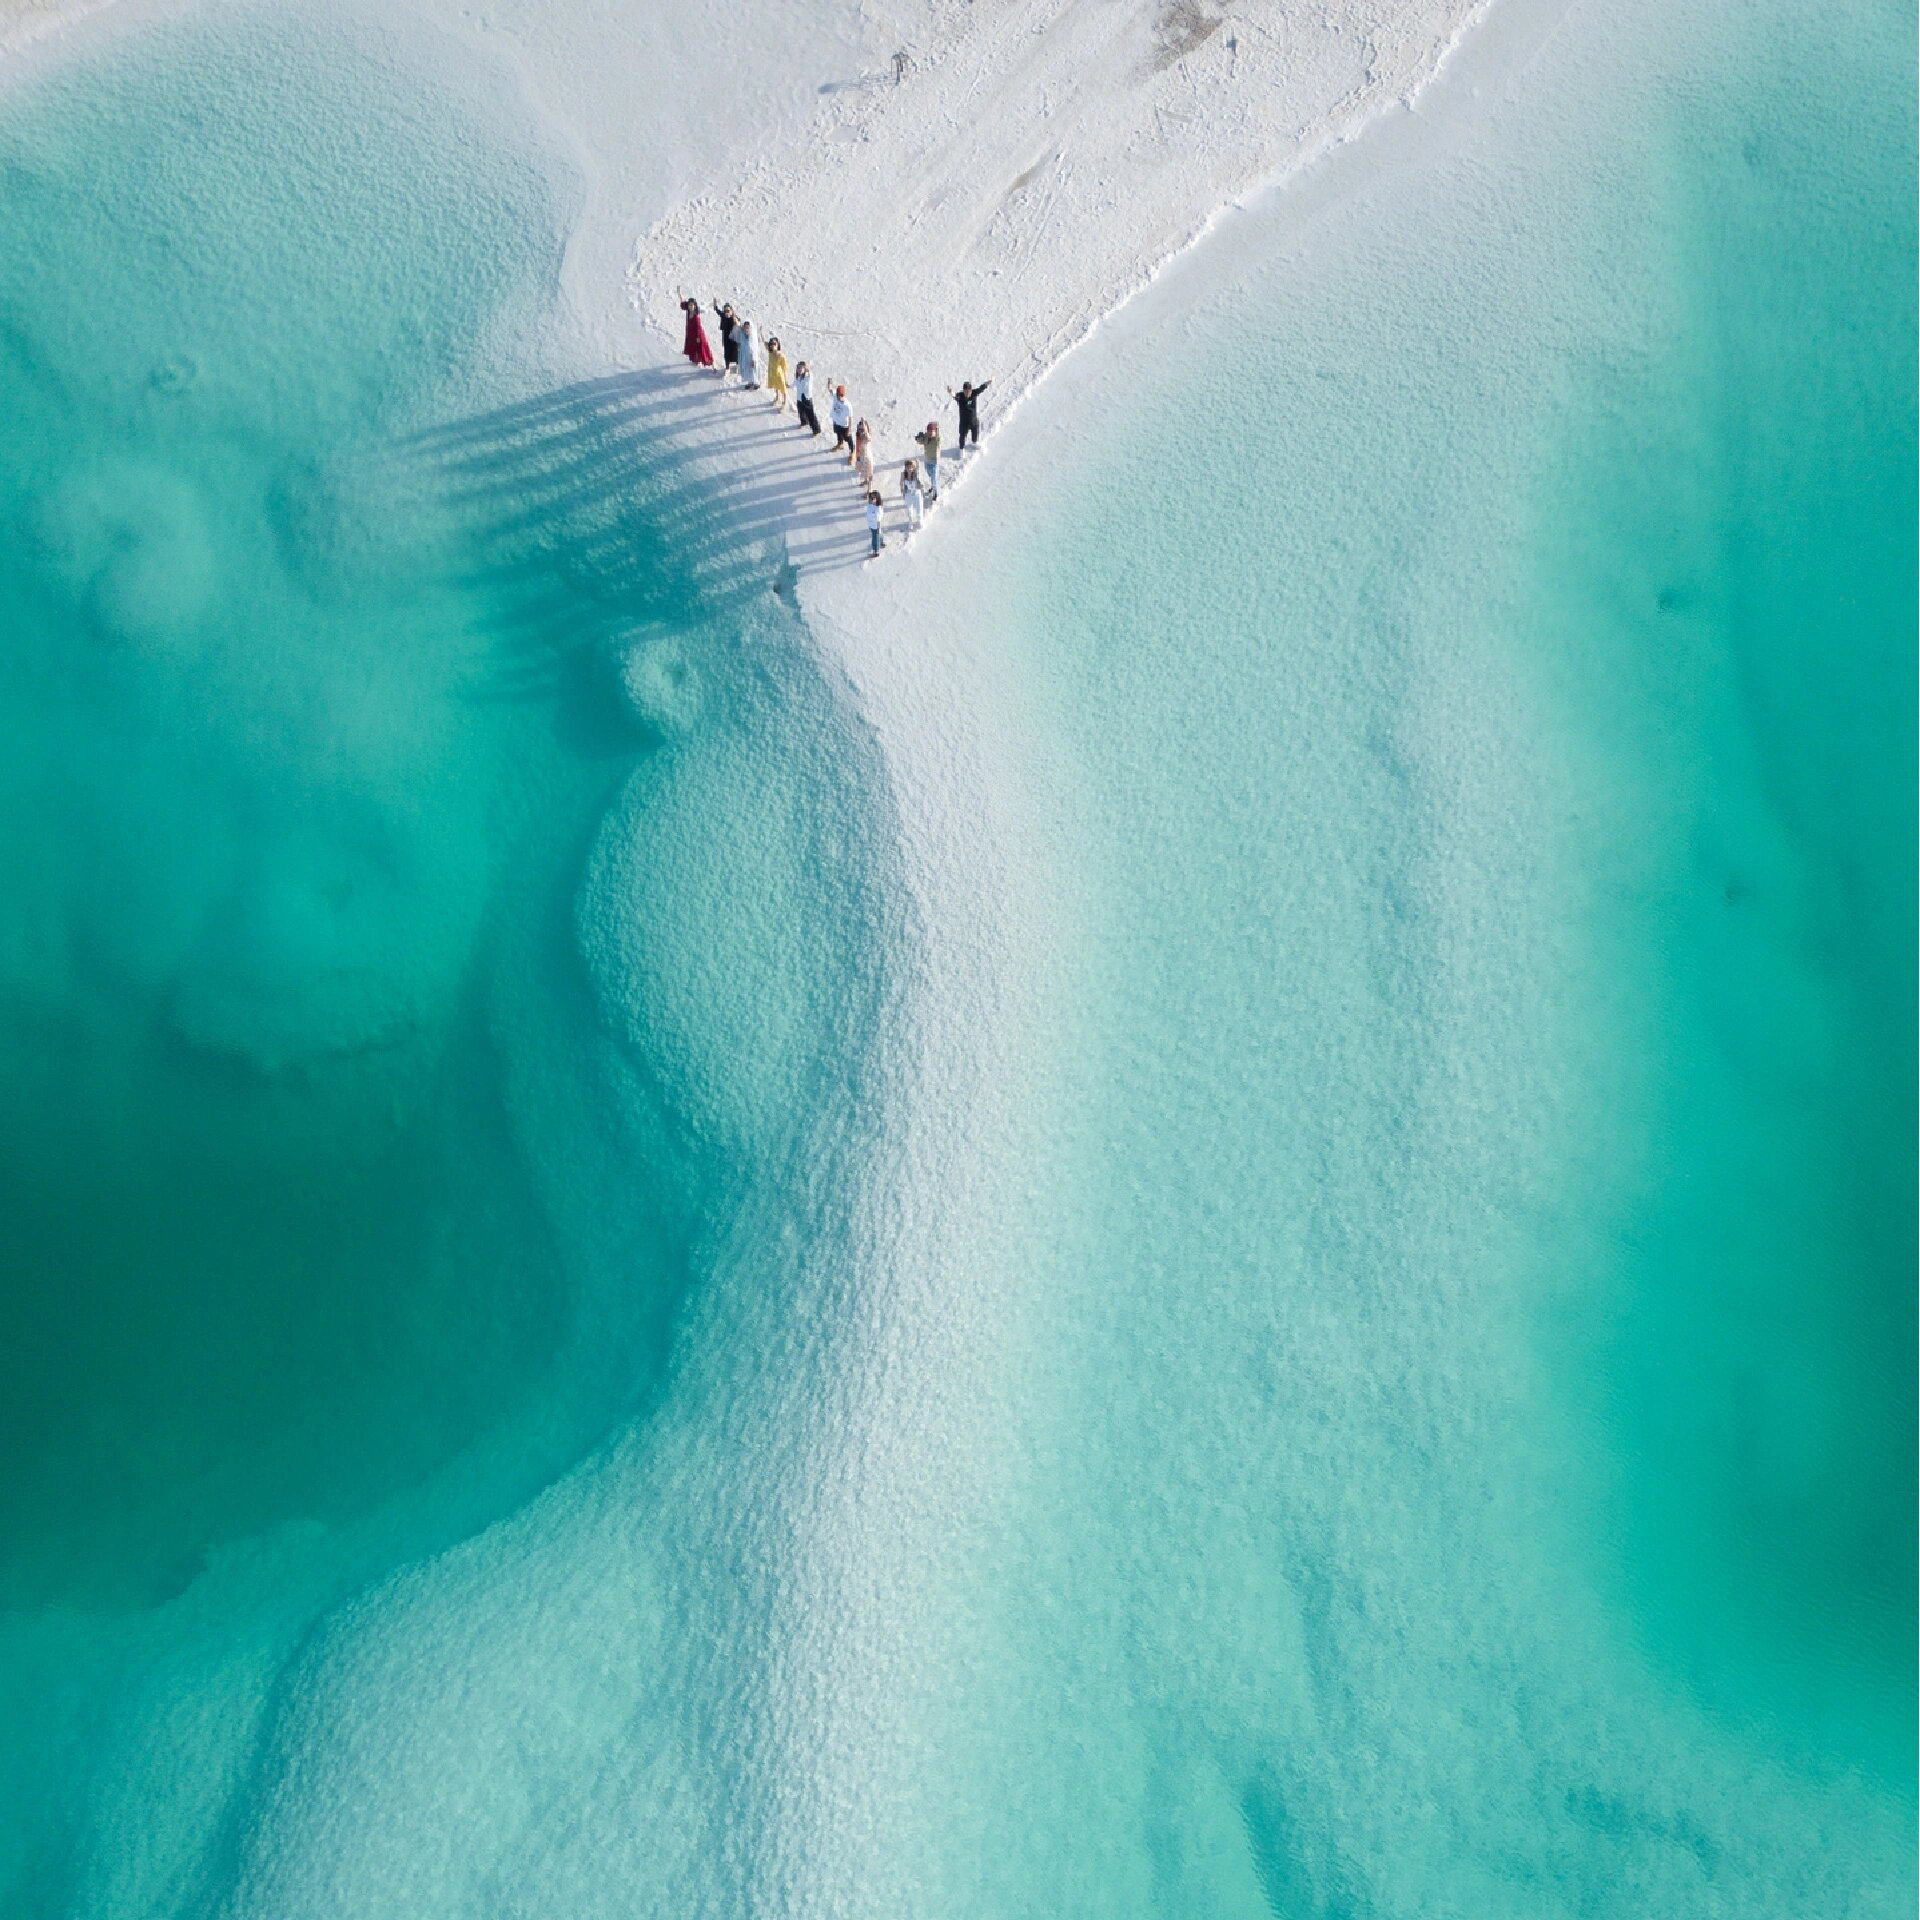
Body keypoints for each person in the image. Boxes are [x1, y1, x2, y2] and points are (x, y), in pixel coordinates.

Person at [948, 377, 991, 448]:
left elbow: (982, 387)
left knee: (975, 435)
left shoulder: (974, 393)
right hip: (964, 422)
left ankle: (974, 443)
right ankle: (961, 450)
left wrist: (989, 382)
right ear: (963, 390)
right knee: (962, 436)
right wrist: (951, 392)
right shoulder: (960, 396)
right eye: (966, 391)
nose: (967, 392)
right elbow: (955, 395)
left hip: (973, 420)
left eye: (969, 390)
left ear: (971, 390)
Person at [679, 296, 715, 369]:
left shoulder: (696, 316)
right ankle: (696, 360)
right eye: (689, 305)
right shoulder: (689, 310)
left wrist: (698, 337)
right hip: (691, 333)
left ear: (695, 306)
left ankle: (706, 361)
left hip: (697, 334)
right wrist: (680, 294)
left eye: (692, 305)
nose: (690, 306)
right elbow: (683, 305)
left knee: (700, 348)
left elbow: (698, 327)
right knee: (692, 346)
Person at [913, 419, 941, 501]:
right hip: (927, 460)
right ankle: (933, 486)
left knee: (934, 477)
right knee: (930, 474)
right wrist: (918, 439)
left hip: (935, 461)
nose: (929, 433)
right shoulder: (926, 437)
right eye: (928, 431)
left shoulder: (937, 440)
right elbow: (920, 441)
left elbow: (937, 435)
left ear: (935, 432)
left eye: (931, 432)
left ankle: (936, 492)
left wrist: (936, 428)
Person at [711, 301, 739, 378]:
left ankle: (738, 366)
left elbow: (739, 323)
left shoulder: (734, 317)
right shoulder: (723, 316)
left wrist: (734, 316)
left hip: (734, 339)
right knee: (727, 353)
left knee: (735, 352)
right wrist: (715, 307)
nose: (726, 312)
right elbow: (719, 312)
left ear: (731, 311)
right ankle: (727, 368)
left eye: (728, 311)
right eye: (725, 311)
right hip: (726, 339)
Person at [794, 360, 821, 435]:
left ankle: (816, 430)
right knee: (801, 411)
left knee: (810, 414)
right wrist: (788, 386)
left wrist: (807, 367)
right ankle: (804, 422)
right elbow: (794, 384)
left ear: (804, 369)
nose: (799, 370)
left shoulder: (808, 376)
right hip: (799, 397)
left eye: (801, 368)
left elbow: (809, 371)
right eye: (798, 368)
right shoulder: (797, 377)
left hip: (807, 398)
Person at [829, 384, 855, 463]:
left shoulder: (848, 405)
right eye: (839, 395)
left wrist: (849, 429)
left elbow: (850, 418)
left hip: (844, 425)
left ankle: (852, 452)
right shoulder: (835, 397)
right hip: (836, 422)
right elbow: (830, 389)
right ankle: (840, 444)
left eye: (841, 395)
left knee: (848, 439)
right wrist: (829, 382)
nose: (840, 397)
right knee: (838, 433)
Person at [765, 335, 791, 409]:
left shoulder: (781, 355)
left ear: (778, 345)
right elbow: (764, 343)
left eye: (774, 344)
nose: (773, 346)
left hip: (779, 375)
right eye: (771, 344)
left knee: (783, 389)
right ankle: (777, 398)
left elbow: (785, 368)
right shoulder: (770, 352)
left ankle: (784, 402)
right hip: (772, 374)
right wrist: (761, 334)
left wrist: (786, 379)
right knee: (775, 387)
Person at [900, 458, 925, 532]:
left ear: (913, 467)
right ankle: (910, 521)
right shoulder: (903, 474)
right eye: (908, 467)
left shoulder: (916, 473)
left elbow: (919, 470)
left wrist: (921, 484)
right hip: (908, 494)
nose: (909, 469)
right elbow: (901, 482)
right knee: (909, 509)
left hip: (916, 493)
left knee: (919, 508)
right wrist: (902, 490)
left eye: (911, 467)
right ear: (905, 467)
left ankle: (920, 520)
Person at [737, 318, 762, 389]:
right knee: (747, 369)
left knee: (754, 369)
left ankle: (756, 382)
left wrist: (754, 359)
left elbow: (754, 349)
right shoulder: (743, 335)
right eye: (745, 328)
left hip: (752, 356)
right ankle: (750, 382)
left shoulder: (753, 337)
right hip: (745, 356)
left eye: (748, 328)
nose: (746, 329)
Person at [853, 419, 874, 490]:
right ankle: (865, 480)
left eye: (862, 429)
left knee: (869, 473)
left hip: (867, 458)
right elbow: (857, 448)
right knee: (864, 472)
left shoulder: (867, 437)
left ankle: (869, 489)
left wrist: (865, 424)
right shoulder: (858, 437)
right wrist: (857, 458)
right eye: (859, 429)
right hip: (861, 457)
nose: (860, 431)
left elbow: (869, 437)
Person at [865, 489, 886, 558]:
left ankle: (876, 551)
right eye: (871, 497)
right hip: (871, 525)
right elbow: (868, 514)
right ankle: (882, 542)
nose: (871, 499)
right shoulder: (869, 506)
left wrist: (878, 527)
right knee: (878, 534)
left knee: (875, 538)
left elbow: (879, 520)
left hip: (876, 526)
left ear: (877, 499)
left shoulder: (878, 508)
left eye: (873, 498)